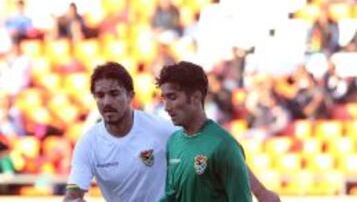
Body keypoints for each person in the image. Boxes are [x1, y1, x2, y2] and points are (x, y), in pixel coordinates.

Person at [64, 61, 280, 202]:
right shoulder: (89, 143)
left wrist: (261, 192)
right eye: (100, 95)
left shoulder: (161, 130)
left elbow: (222, 153)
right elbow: (73, 195)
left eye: (114, 93)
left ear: (130, 96)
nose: (107, 101)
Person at [157, 61, 252, 201]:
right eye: (164, 99)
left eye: (172, 97)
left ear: (196, 97)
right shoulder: (173, 142)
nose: (166, 107)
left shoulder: (224, 145)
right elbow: (171, 196)